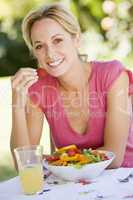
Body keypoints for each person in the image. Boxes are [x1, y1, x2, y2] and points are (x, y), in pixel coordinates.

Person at [10, 2, 133, 168]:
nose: (50, 53)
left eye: (57, 40)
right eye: (39, 46)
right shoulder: (39, 88)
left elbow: (114, 158)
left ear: (76, 39)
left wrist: (58, 160)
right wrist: (17, 103)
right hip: (76, 187)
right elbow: (24, 164)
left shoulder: (112, 75)